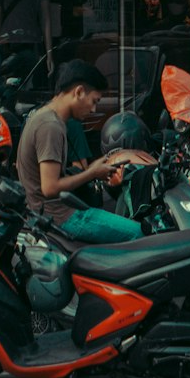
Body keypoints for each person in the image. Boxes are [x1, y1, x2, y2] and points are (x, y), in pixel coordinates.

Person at [15, 59, 142, 245]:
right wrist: (91, 173)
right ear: (79, 92)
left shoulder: (44, 117)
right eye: (94, 101)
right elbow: (49, 188)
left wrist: (93, 169)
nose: (93, 109)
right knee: (139, 233)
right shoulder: (50, 126)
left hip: (53, 211)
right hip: (60, 216)